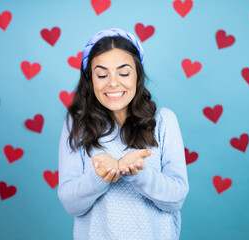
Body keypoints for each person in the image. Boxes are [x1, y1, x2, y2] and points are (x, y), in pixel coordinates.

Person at [57, 28, 189, 240]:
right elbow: (71, 204)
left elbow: (176, 198)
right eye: (101, 75)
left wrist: (138, 173)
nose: (113, 83)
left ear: (138, 75)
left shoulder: (164, 121)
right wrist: (98, 177)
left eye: (124, 73)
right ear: (90, 80)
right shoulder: (77, 123)